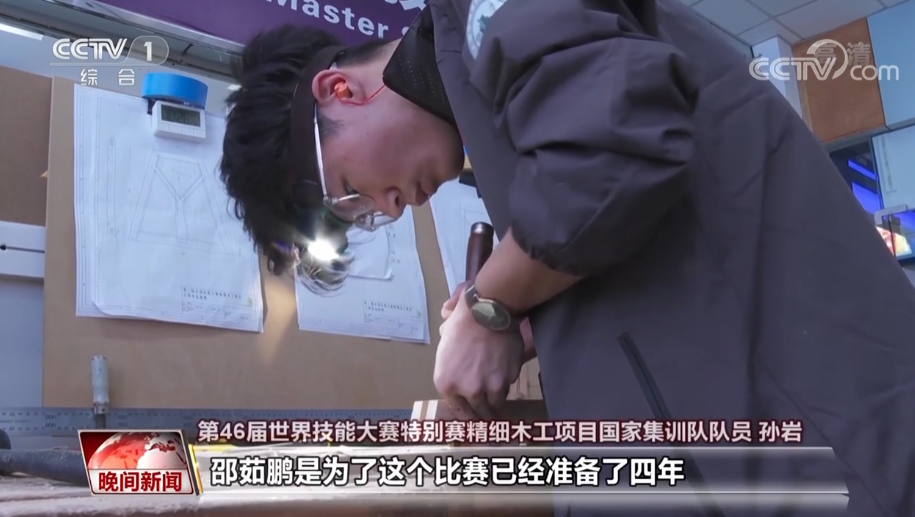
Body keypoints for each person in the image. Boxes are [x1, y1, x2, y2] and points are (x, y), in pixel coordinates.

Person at [220, 0, 915, 515]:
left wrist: (493, 304)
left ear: (339, 91)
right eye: (366, 216)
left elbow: (614, 147)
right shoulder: (500, 131)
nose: (390, 207)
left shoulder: (476, 12)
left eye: (351, 195)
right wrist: (539, 317)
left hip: (843, 464)